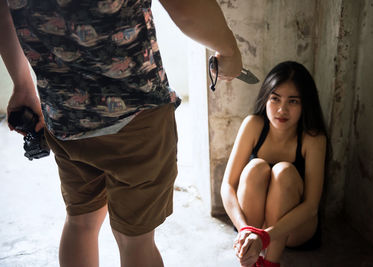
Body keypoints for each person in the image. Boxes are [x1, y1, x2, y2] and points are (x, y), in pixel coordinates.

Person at [0, 0, 242, 266]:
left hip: (65, 118)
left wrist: (22, 83)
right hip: (136, 116)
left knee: (81, 222)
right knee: (134, 239)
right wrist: (228, 49)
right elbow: (185, 7)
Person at [220, 61, 327, 267]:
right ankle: (249, 257)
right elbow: (227, 186)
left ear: (306, 104)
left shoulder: (313, 139)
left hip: (294, 230)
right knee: (255, 168)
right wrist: (246, 230)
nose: (282, 109)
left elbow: (311, 207)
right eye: (275, 99)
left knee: (284, 171)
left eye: (293, 101)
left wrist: (265, 237)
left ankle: (270, 263)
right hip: (253, 225)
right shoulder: (253, 125)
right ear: (265, 98)